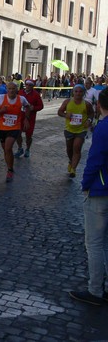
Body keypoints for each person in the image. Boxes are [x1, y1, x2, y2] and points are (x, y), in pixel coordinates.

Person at [69, 88, 108, 306]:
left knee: (94, 243)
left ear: (99, 106)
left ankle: (95, 289)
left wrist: (85, 184)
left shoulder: (103, 128)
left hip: (101, 190)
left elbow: (95, 160)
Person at [0, 82, 31, 182]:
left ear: (16, 89)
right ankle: (10, 167)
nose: (11, 90)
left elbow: (28, 107)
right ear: (7, 89)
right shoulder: (1, 98)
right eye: (9, 88)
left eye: (13, 88)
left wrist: (26, 118)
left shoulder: (21, 99)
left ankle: (9, 170)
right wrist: (1, 111)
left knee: (8, 147)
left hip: (15, 127)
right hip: (2, 128)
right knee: (6, 150)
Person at [57, 84, 94, 178]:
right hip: (69, 129)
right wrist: (66, 115)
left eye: (80, 91)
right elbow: (59, 112)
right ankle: (71, 161)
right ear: (73, 92)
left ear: (83, 93)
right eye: (76, 91)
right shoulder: (67, 102)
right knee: (69, 149)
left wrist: (89, 121)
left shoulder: (87, 104)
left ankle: (73, 169)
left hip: (81, 130)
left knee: (76, 148)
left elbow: (91, 114)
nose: (78, 93)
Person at [14, 79, 44, 158]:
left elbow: (41, 106)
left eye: (30, 85)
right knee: (17, 133)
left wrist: (33, 108)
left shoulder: (36, 94)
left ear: (33, 86)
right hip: (20, 117)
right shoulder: (20, 92)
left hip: (30, 118)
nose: (28, 86)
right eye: (27, 84)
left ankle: (27, 149)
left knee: (28, 136)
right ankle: (20, 148)